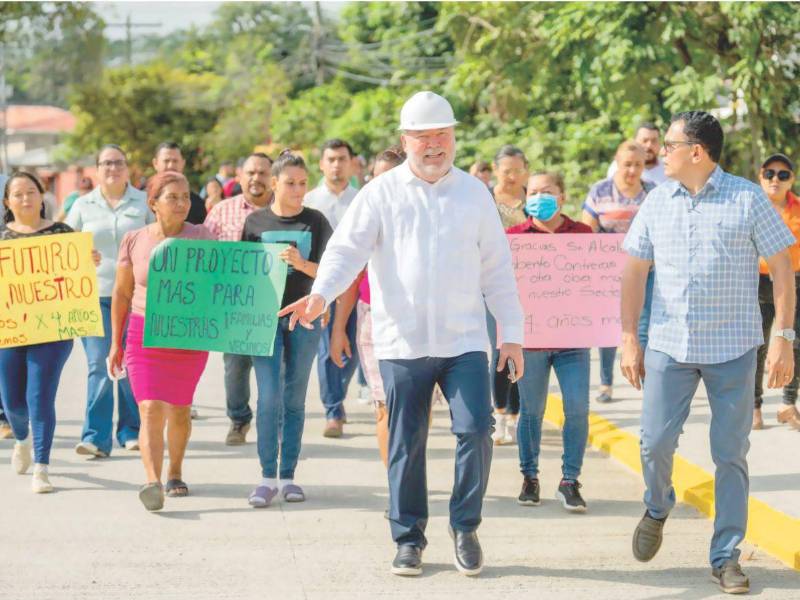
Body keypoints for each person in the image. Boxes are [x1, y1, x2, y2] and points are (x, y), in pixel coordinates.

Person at [279, 91, 524, 577]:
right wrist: (320, 295)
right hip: (402, 342)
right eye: (423, 137)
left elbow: (497, 268)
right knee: (406, 442)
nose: (434, 146)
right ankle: (408, 538)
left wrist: (511, 333)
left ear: (453, 137)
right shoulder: (380, 193)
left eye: (442, 136)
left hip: (463, 341)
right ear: (405, 140)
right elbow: (345, 252)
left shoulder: (474, 194)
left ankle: (465, 526)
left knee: (476, 429)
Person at [621, 111, 796, 595]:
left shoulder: (748, 198)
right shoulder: (657, 201)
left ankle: (726, 556)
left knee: (730, 454)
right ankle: (658, 505)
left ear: (696, 152)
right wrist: (629, 337)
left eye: (670, 145)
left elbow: (783, 267)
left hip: (733, 348)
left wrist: (783, 338)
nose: (661, 153)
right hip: (669, 346)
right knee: (654, 443)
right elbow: (634, 271)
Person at [109, 171, 214, 511]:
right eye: (173, 197)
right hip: (144, 334)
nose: (182, 203)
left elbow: (220, 285)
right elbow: (122, 293)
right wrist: (115, 343)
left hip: (188, 337)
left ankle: (175, 471)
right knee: (150, 407)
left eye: (186, 197)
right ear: (153, 203)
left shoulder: (203, 237)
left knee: (180, 409)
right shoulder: (134, 240)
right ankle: (152, 482)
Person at [241, 150, 332, 508]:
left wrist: (301, 263)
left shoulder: (317, 221)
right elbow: (241, 274)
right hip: (263, 320)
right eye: (290, 183)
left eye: (302, 183)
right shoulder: (255, 222)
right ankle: (267, 477)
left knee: (294, 398)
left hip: (304, 319)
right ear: (274, 183)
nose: (298, 190)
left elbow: (331, 272)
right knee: (268, 397)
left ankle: (289, 476)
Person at [506, 171, 593, 513]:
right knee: (531, 411)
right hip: (531, 341)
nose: (539, 197)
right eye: (533, 192)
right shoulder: (513, 238)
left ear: (562, 196)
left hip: (574, 340)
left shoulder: (582, 235)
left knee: (577, 408)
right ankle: (529, 477)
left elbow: (597, 283)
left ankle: (570, 481)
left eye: (547, 191)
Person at [0, 172, 85, 492]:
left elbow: (75, 277)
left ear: (42, 195)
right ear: (7, 201)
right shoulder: (2, 238)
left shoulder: (62, 233)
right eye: (18, 194)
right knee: (13, 403)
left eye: (31, 192)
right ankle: (21, 439)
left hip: (52, 331)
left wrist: (86, 261)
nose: (26, 198)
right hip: (10, 331)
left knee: (40, 397)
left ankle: (42, 466)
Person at [66, 144, 151, 458]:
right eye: (106, 163)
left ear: (127, 168)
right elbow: (64, 243)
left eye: (118, 163)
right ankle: (95, 437)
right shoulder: (82, 205)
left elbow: (159, 236)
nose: (112, 168)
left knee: (131, 364)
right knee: (99, 364)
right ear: (97, 169)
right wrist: (80, 254)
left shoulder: (143, 202)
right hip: (95, 297)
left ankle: (131, 431)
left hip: (135, 297)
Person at [329, 147, 406, 469]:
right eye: (375, 177)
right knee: (384, 405)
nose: (380, 183)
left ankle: (409, 472)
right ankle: (397, 482)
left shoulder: (431, 217)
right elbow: (351, 275)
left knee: (417, 409)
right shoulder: (365, 219)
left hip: (422, 324)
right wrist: (338, 330)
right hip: (374, 320)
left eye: (388, 176)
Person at [204, 152, 274, 446]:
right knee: (235, 368)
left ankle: (274, 425)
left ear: (273, 178)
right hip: (233, 308)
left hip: (275, 306)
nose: (256, 178)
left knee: (275, 370)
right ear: (239, 177)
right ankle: (239, 420)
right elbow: (204, 254)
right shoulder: (221, 212)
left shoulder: (287, 210)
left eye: (262, 173)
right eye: (251, 172)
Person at [583, 140, 655, 404]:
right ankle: (605, 383)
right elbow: (586, 231)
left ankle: (645, 381)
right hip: (608, 273)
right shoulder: (599, 191)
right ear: (617, 162)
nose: (632, 170)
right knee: (609, 328)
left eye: (638, 165)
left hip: (647, 271)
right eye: (627, 164)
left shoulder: (653, 193)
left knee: (643, 325)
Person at [304, 138, 360, 438]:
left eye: (342, 159)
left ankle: (338, 392)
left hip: (358, 286)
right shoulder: (311, 201)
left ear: (352, 164)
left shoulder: (362, 199)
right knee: (327, 347)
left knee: (354, 348)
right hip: (322, 285)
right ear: (322, 164)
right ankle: (333, 410)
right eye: (331, 159)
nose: (337, 165)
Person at [754, 153, 800, 431]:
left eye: (783, 175)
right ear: (760, 177)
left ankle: (787, 403)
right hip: (758, 283)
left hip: (794, 285)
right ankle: (754, 406)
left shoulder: (798, 209)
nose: (775, 179)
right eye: (769, 173)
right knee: (757, 347)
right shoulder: (751, 208)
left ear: (791, 180)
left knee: (794, 341)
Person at [487, 145, 528, 444]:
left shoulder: (533, 201)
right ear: (495, 170)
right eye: (506, 171)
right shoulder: (484, 200)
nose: (512, 176)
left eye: (517, 170)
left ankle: (516, 415)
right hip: (492, 287)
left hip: (531, 287)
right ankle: (500, 413)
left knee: (522, 351)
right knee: (499, 349)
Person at [151, 142, 207, 225]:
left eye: (175, 161)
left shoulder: (196, 204)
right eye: (166, 161)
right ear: (155, 163)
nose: (171, 166)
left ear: (183, 163)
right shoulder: (142, 199)